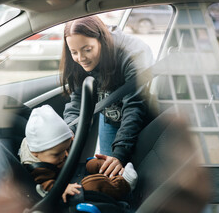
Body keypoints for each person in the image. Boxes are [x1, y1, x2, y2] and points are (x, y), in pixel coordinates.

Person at [60, 15, 153, 178]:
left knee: (130, 174)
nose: (80, 58)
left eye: (87, 50)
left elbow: (134, 106)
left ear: (101, 40)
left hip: (139, 120)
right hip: (109, 116)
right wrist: (68, 131)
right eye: (74, 52)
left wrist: (120, 154)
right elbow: (78, 98)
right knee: (109, 174)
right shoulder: (80, 59)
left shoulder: (132, 54)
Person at [18, 105, 138, 203]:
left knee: (93, 163)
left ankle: (118, 173)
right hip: (65, 191)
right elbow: (43, 186)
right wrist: (61, 189)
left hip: (68, 173)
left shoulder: (47, 152)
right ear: (35, 153)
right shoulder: (37, 168)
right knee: (92, 184)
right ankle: (124, 184)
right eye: (57, 154)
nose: (65, 155)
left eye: (67, 149)